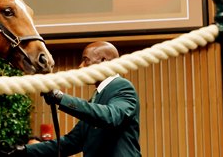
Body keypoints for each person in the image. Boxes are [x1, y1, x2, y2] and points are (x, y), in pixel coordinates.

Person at [10, 41, 141, 157]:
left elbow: (111, 116)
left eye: (86, 60)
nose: (80, 66)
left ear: (104, 62)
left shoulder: (122, 86)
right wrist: (23, 151)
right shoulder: (96, 99)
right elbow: (71, 142)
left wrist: (59, 97)